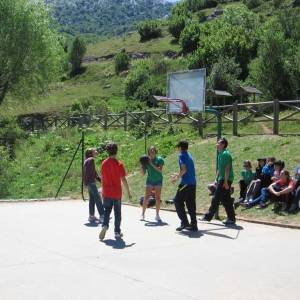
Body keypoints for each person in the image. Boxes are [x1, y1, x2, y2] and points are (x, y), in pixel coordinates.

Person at [99, 143, 132, 241]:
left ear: (107, 151)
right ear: (116, 151)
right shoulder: (119, 164)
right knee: (117, 213)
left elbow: (102, 178)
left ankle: (105, 225)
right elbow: (123, 179)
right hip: (116, 192)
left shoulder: (104, 163)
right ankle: (117, 232)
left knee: (107, 210)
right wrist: (128, 192)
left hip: (107, 192)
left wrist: (102, 191)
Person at [202, 137, 236, 226]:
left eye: (218, 143)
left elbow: (227, 169)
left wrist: (225, 182)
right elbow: (219, 168)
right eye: (217, 143)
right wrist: (215, 179)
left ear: (223, 144)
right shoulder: (220, 154)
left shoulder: (226, 154)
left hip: (226, 179)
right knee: (226, 200)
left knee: (216, 198)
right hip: (221, 179)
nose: (216, 144)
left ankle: (208, 216)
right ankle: (231, 219)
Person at [171, 140, 198, 231]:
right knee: (190, 204)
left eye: (177, 147)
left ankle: (184, 222)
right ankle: (194, 225)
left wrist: (176, 177)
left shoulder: (181, 155)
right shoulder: (189, 155)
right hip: (192, 183)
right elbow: (186, 170)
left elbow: (184, 169)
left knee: (177, 201)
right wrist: (178, 174)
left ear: (180, 147)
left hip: (186, 183)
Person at [140, 146, 164, 222]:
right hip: (150, 181)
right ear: (148, 152)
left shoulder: (159, 159)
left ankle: (157, 215)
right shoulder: (146, 160)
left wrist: (151, 163)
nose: (152, 151)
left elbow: (160, 170)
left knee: (157, 198)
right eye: (151, 150)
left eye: (153, 150)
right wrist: (142, 166)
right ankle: (142, 214)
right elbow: (143, 174)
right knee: (146, 197)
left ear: (155, 151)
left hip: (158, 180)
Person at [83, 148, 104, 223]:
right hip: (91, 182)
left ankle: (91, 216)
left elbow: (94, 173)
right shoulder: (91, 160)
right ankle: (102, 215)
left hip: (89, 183)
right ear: (91, 153)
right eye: (94, 151)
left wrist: (100, 180)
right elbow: (91, 173)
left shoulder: (87, 160)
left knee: (92, 199)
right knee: (98, 198)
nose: (96, 152)